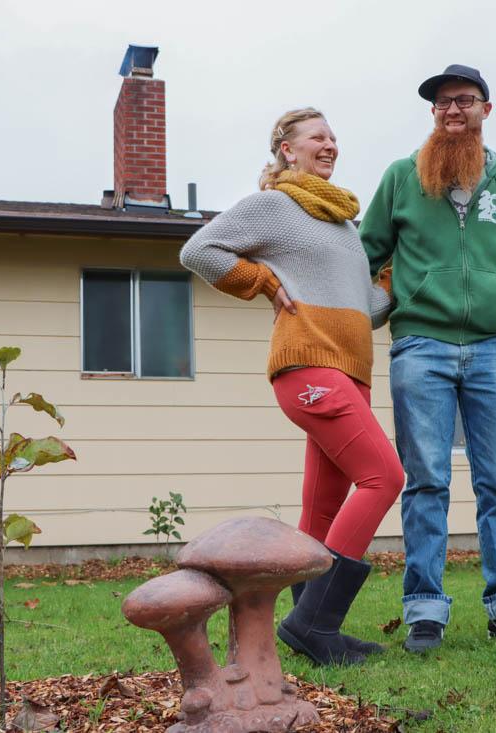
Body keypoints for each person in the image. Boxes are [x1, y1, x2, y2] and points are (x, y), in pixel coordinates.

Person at [179, 108, 404, 666]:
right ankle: (313, 624)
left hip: (348, 371)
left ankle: (311, 624)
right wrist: (260, 281)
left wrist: (400, 276)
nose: (329, 145)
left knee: (323, 507)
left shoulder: (344, 225)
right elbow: (197, 250)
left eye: (334, 137)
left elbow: (366, 310)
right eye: (316, 137)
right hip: (309, 369)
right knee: (383, 477)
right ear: (286, 149)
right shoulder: (274, 206)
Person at [358, 64, 496, 651]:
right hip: (420, 347)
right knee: (426, 483)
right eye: (442, 103)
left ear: (485, 111)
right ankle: (424, 609)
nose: (452, 110)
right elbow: (365, 254)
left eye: (464, 100)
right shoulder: (401, 177)